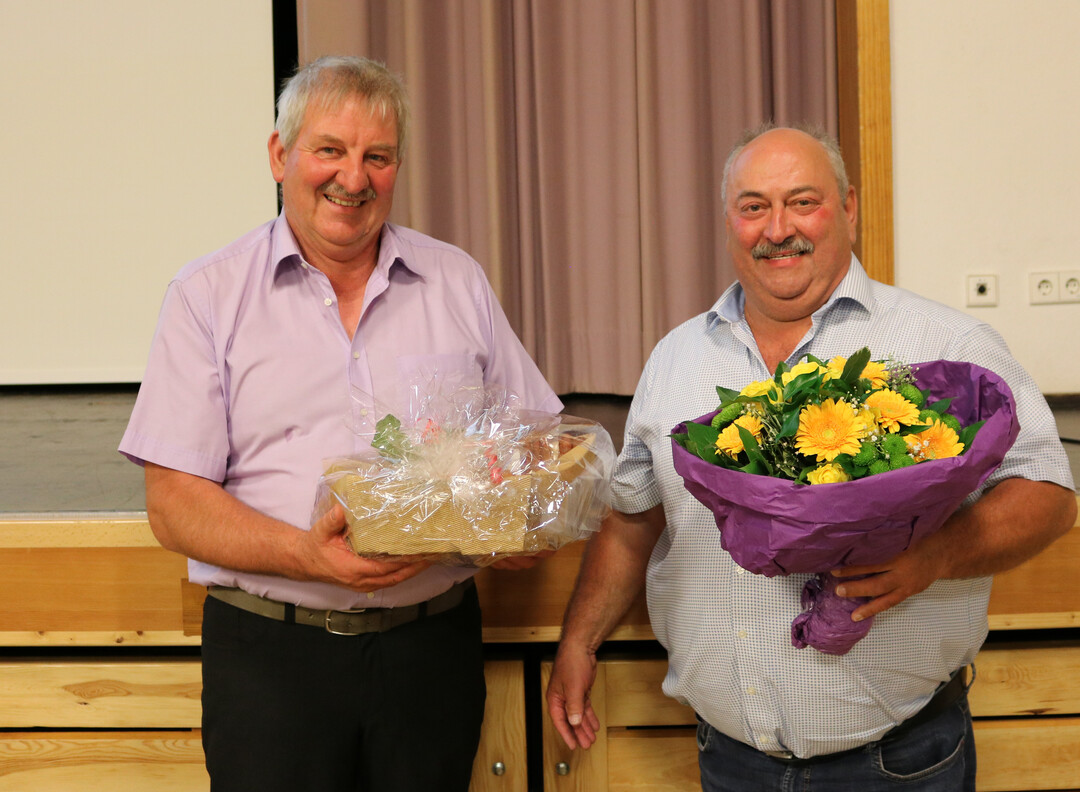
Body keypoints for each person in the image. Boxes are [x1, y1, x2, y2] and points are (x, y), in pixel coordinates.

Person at [546, 124, 1076, 791]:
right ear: (729, 220)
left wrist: (935, 557)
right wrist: (579, 642)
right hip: (730, 761)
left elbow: (1048, 495)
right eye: (754, 207)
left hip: (899, 766)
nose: (778, 229)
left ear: (848, 208)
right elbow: (633, 518)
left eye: (802, 202)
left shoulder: (948, 342)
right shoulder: (675, 359)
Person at [120, 56, 561, 792]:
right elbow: (172, 506)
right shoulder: (206, 296)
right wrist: (306, 556)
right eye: (330, 149)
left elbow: (535, 443)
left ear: (397, 168)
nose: (353, 178)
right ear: (279, 156)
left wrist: (515, 520)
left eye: (377, 157)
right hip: (271, 659)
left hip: (431, 654)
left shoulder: (456, 280)